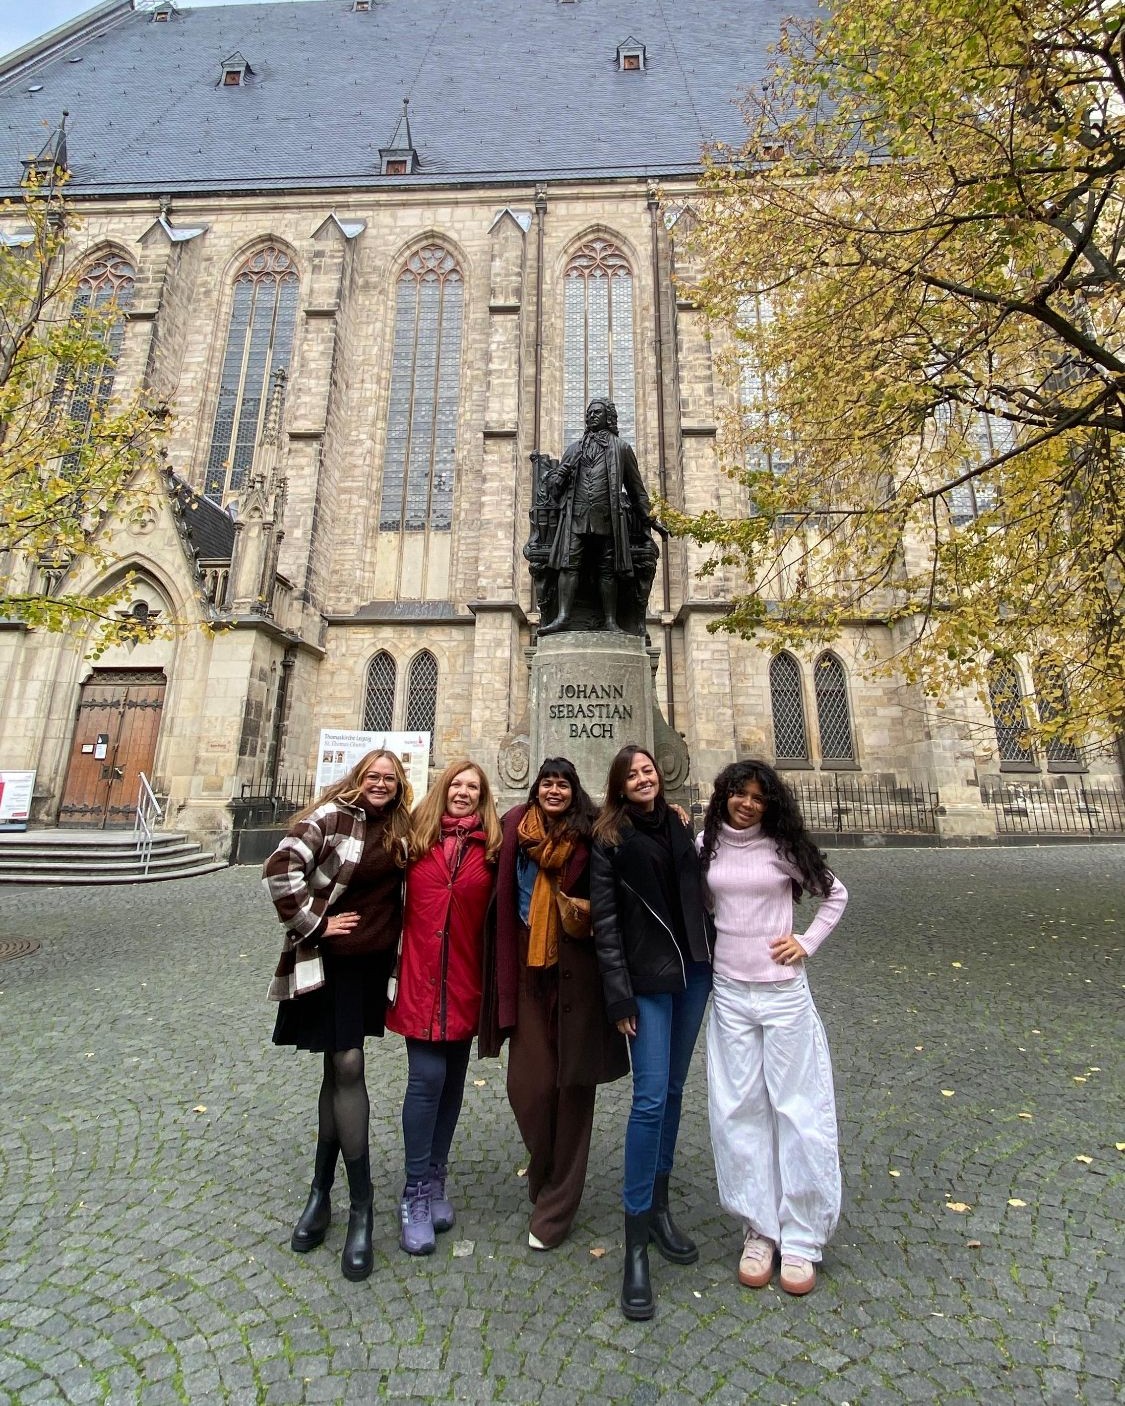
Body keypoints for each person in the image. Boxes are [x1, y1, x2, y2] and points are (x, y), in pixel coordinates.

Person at [698, 760, 848, 1297]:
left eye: (758, 797)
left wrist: (805, 943)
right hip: (731, 994)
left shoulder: (783, 848)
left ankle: (803, 1235)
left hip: (783, 995)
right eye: (739, 794)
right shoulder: (707, 844)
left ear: (770, 803)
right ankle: (759, 1227)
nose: (747, 804)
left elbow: (836, 893)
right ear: (725, 797)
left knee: (796, 1107)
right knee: (739, 1109)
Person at [264, 749, 413, 1282]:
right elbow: (280, 865)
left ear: (400, 787)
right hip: (330, 963)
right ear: (358, 778)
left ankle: (320, 1193)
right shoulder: (332, 816)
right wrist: (315, 924)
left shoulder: (401, 827)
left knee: (336, 1073)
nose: (380, 784)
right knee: (347, 1067)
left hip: (371, 966)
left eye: (389, 779)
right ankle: (362, 1209)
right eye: (373, 776)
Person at [481, 757, 629, 1250]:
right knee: (530, 1087)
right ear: (535, 788)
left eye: (563, 783)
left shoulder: (593, 835)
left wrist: (676, 812)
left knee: (573, 1090)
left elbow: (640, 838)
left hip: (577, 980)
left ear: (574, 791)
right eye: (547, 782)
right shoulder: (512, 832)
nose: (554, 790)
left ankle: (557, 1206)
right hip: (526, 971)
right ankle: (544, 1167)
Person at [590, 744, 713, 1321]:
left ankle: (661, 1206)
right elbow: (606, 923)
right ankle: (635, 1239)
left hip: (693, 974)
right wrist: (617, 994)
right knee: (648, 1099)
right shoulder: (608, 838)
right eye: (632, 773)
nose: (643, 778)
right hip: (645, 980)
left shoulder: (682, 825)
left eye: (649, 771)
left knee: (674, 1094)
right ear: (618, 785)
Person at [385, 759, 501, 1255]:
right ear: (443, 789)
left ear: (482, 796)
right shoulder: (412, 840)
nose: (463, 793)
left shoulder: (493, 848)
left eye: (472, 787)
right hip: (421, 980)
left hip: (465, 983)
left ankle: (435, 1179)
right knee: (426, 1079)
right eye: (456, 784)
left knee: (452, 1083)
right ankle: (414, 1191)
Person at [538, 397, 656, 635]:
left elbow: (636, 490)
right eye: (589, 413)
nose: (591, 416)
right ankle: (563, 617)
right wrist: (560, 473)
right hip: (576, 517)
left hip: (608, 518)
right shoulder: (574, 449)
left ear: (608, 417)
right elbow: (552, 489)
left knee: (607, 568)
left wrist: (650, 519)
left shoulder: (621, 448)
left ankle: (611, 621)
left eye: (597, 412)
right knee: (568, 564)